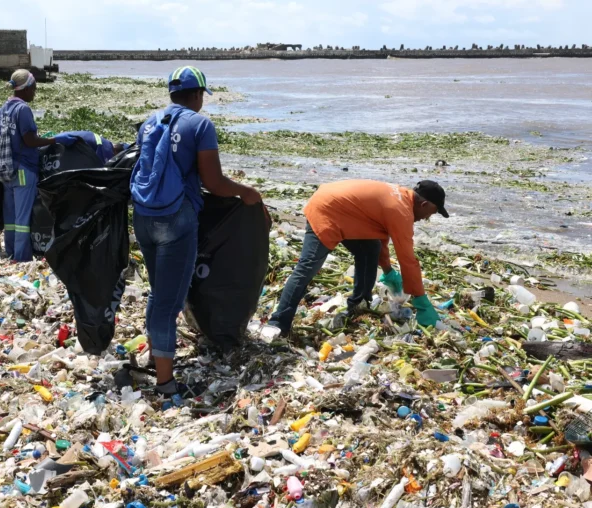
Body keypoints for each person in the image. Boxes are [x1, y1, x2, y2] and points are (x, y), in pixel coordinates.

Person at [130, 66, 262, 397]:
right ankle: (165, 383)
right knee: (166, 302)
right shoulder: (199, 124)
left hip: (143, 218)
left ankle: (156, 356)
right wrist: (247, 193)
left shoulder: (149, 123)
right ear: (197, 95)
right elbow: (214, 183)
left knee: (158, 292)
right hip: (175, 221)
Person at [267, 179, 450, 335]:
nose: (428, 218)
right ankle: (278, 323)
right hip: (327, 210)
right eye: (432, 213)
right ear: (424, 204)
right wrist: (420, 300)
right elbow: (407, 258)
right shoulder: (401, 211)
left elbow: (380, 239)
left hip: (341, 207)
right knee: (307, 267)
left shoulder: (400, 197)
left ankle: (358, 304)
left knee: (370, 248)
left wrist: (388, 271)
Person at [0, 69, 77, 262]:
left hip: (6, 168)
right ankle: (21, 257)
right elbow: (30, 140)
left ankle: (11, 251)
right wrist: (55, 140)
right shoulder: (23, 109)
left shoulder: (4, 109)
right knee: (23, 217)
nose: (35, 93)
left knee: (11, 214)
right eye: (34, 88)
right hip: (23, 169)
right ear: (26, 88)